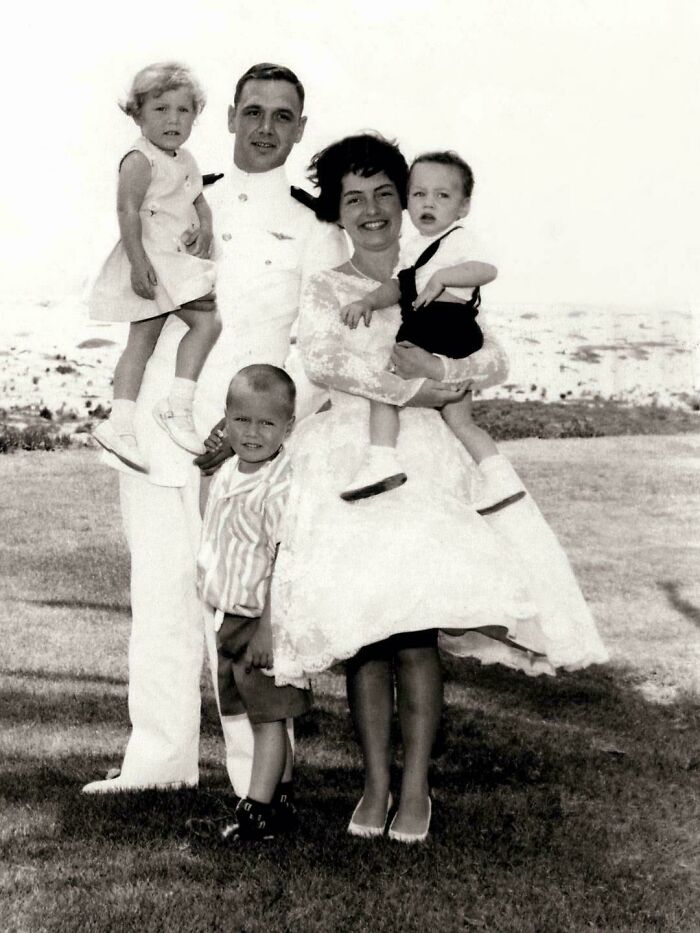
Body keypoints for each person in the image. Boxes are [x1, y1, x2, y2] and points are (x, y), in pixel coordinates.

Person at [270, 134, 608, 843]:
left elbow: (495, 356)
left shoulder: (440, 265)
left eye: (386, 194)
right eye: (353, 199)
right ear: (336, 211)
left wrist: (442, 381)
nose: (372, 210)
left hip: (424, 459)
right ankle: (374, 781)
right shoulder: (328, 286)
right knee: (366, 632)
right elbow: (329, 364)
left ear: (407, 200)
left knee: (417, 626)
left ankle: (416, 785)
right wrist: (425, 386)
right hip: (350, 457)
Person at [82, 63, 347, 797]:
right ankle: (157, 762)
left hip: (249, 447)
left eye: (283, 115)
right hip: (166, 431)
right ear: (228, 117)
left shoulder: (313, 229)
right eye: (253, 111)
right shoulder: (185, 194)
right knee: (159, 599)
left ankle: (254, 774)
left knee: (239, 613)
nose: (265, 127)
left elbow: (318, 352)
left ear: (300, 127)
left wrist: (260, 434)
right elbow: (147, 299)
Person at [339, 150, 522, 513]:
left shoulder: (459, 238)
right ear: (408, 200)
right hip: (445, 335)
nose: (429, 203)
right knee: (459, 418)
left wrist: (442, 278)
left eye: (443, 196)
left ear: (463, 206)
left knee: (384, 388)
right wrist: (369, 302)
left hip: (444, 325)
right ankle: (499, 476)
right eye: (420, 194)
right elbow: (398, 285)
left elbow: (487, 271)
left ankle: (382, 458)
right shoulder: (412, 246)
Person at [196, 365, 310, 841]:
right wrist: (207, 467)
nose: (252, 432)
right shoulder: (229, 470)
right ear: (225, 420)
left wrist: (269, 626)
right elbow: (213, 522)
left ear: (288, 426)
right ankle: (281, 799)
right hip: (230, 615)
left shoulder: (281, 483)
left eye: (267, 423)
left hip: (262, 618)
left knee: (268, 719)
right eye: (241, 420)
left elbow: (287, 558)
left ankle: (256, 810)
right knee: (263, 713)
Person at [89, 62, 221, 468]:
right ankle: (170, 408)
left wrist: (207, 228)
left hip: (172, 258)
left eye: (183, 111)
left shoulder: (186, 159)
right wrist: (137, 263)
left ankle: (123, 424)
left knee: (147, 341)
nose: (173, 120)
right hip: (151, 260)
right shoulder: (140, 158)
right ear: (137, 113)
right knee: (203, 323)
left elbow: (197, 199)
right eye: (161, 109)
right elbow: (127, 210)